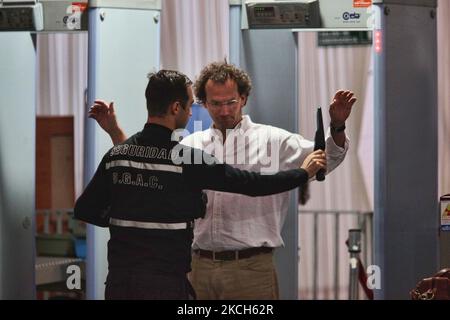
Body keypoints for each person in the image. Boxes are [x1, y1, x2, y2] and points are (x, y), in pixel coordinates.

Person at [90, 62, 356, 299]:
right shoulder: (191, 144)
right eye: (215, 103)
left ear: (243, 98)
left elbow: (326, 159)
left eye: (231, 101)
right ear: (203, 104)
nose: (224, 110)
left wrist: (337, 127)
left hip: (251, 268)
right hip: (198, 266)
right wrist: (116, 133)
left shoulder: (273, 140)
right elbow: (148, 164)